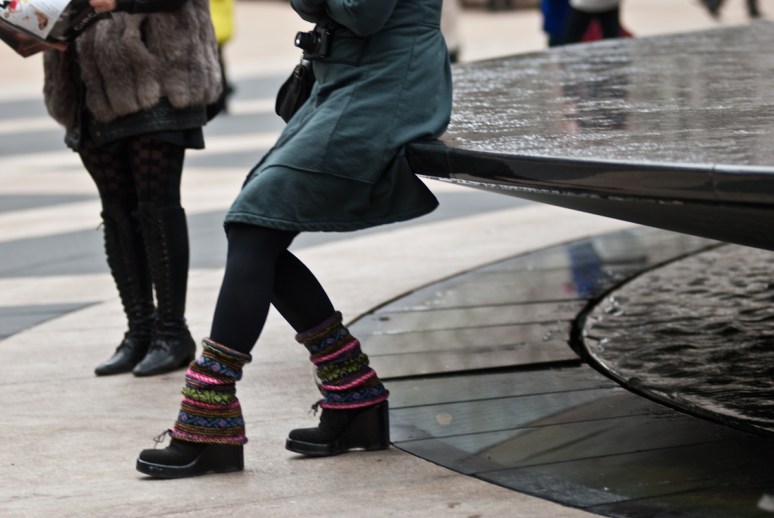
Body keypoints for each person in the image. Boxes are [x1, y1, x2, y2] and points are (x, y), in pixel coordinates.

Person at [135, 0, 453, 479]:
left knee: (254, 224)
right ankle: (355, 396)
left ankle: (209, 415)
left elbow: (363, 13)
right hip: (342, 84)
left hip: (388, 88)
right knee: (256, 225)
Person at [41, 0, 223, 377]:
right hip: (84, 80)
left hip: (158, 75)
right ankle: (140, 330)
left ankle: (172, 333)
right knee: (117, 211)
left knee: (156, 205)